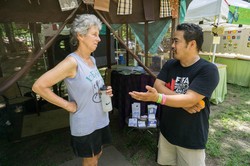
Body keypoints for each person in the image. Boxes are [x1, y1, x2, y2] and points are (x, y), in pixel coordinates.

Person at [129, 23, 219, 166]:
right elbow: (157, 86)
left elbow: (190, 99)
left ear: (192, 44)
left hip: (191, 139)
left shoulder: (208, 70)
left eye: (176, 41)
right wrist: (183, 103)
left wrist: (161, 98)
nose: (172, 45)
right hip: (167, 133)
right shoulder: (171, 64)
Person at [32, 14, 113, 166]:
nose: (99, 38)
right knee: (90, 160)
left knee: (99, 152)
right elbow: (39, 86)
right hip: (86, 123)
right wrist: (67, 105)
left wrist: (105, 90)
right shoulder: (72, 62)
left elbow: (91, 85)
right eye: (94, 34)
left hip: (99, 119)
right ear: (81, 35)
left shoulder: (91, 60)